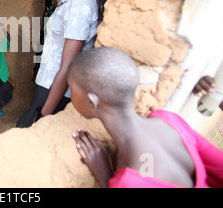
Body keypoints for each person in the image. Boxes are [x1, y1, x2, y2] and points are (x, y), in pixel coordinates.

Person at [69, 47, 223, 188]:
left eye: (72, 89)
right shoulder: (169, 120)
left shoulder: (129, 182)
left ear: (92, 101)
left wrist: (105, 176)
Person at [17, 0, 108, 128]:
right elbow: (69, 30)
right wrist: (61, 1)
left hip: (55, 89)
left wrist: (42, 116)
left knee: (28, 133)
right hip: (50, 83)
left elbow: (68, 66)